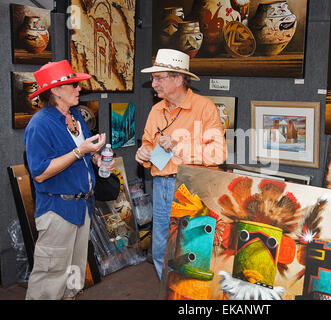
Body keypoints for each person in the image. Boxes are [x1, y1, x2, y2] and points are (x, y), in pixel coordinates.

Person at [24, 60, 114, 300]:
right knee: (49, 280)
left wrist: (97, 159)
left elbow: (85, 150)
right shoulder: (39, 124)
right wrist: (80, 152)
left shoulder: (75, 115)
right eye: (72, 85)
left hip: (82, 208)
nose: (78, 89)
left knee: (74, 276)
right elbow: (40, 172)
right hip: (57, 210)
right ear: (55, 91)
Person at [135, 49, 227, 279]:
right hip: (163, 187)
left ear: (178, 79)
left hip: (193, 188)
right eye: (153, 78)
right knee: (160, 251)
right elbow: (148, 144)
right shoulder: (157, 110)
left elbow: (218, 154)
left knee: (191, 252)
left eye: (159, 78)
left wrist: (178, 147)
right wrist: (143, 154)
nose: (153, 83)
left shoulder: (205, 108)